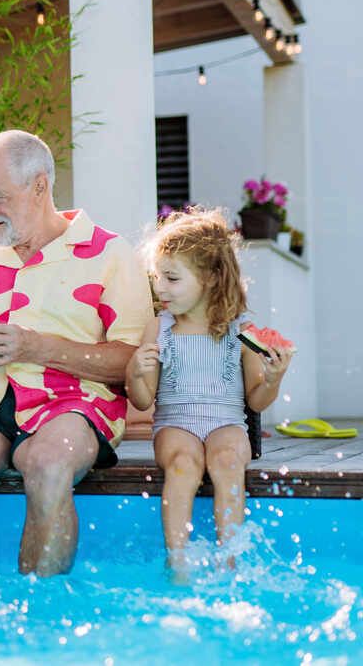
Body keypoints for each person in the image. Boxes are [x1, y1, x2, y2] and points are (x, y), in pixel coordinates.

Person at [0, 130, 153, 576]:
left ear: (40, 187)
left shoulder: (109, 252)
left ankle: (40, 621)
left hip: (77, 401)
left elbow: (130, 363)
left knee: (49, 466)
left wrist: (35, 346)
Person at [126, 208, 292, 573]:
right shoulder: (160, 328)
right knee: (184, 464)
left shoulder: (240, 330)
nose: (159, 288)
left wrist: (274, 378)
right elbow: (142, 400)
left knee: (228, 461)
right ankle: (178, 563)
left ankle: (228, 562)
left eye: (171, 278)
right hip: (175, 424)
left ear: (211, 278)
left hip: (227, 423)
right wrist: (135, 373)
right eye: (157, 277)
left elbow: (255, 398)